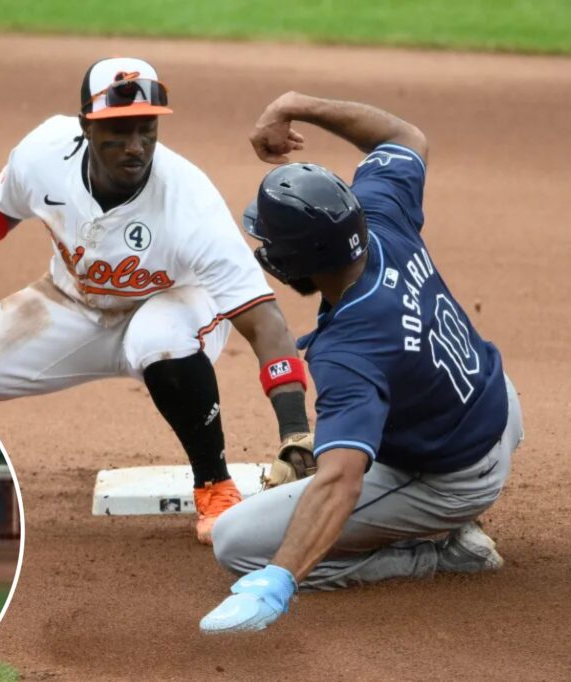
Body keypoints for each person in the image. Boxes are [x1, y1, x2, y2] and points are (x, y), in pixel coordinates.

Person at [0, 57, 312, 544]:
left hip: (177, 305)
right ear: (85, 125)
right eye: (117, 131)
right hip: (70, 304)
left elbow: (264, 319)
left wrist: (294, 428)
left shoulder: (189, 200)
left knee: (159, 339)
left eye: (146, 130)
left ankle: (214, 486)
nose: (135, 146)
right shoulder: (44, 151)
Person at [199, 92, 525, 633]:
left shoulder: (350, 351)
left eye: (270, 242)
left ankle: (436, 553)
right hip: (495, 405)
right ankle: (431, 515)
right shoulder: (379, 217)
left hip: (457, 475)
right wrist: (297, 103)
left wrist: (279, 577)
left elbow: (342, 482)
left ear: (291, 263)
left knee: (237, 544)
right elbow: (405, 139)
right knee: (344, 447)